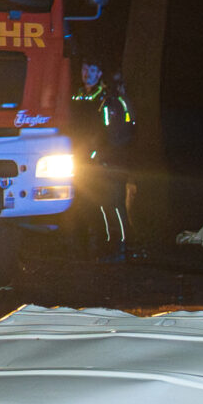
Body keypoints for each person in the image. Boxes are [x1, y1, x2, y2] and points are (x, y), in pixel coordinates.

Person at [68, 59, 133, 259]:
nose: (87, 73)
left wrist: (100, 155)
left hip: (109, 162)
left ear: (100, 73)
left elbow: (114, 133)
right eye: (85, 68)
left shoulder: (109, 99)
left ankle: (121, 248)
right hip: (84, 162)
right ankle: (96, 247)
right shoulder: (76, 96)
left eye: (93, 69)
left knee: (113, 205)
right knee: (88, 205)